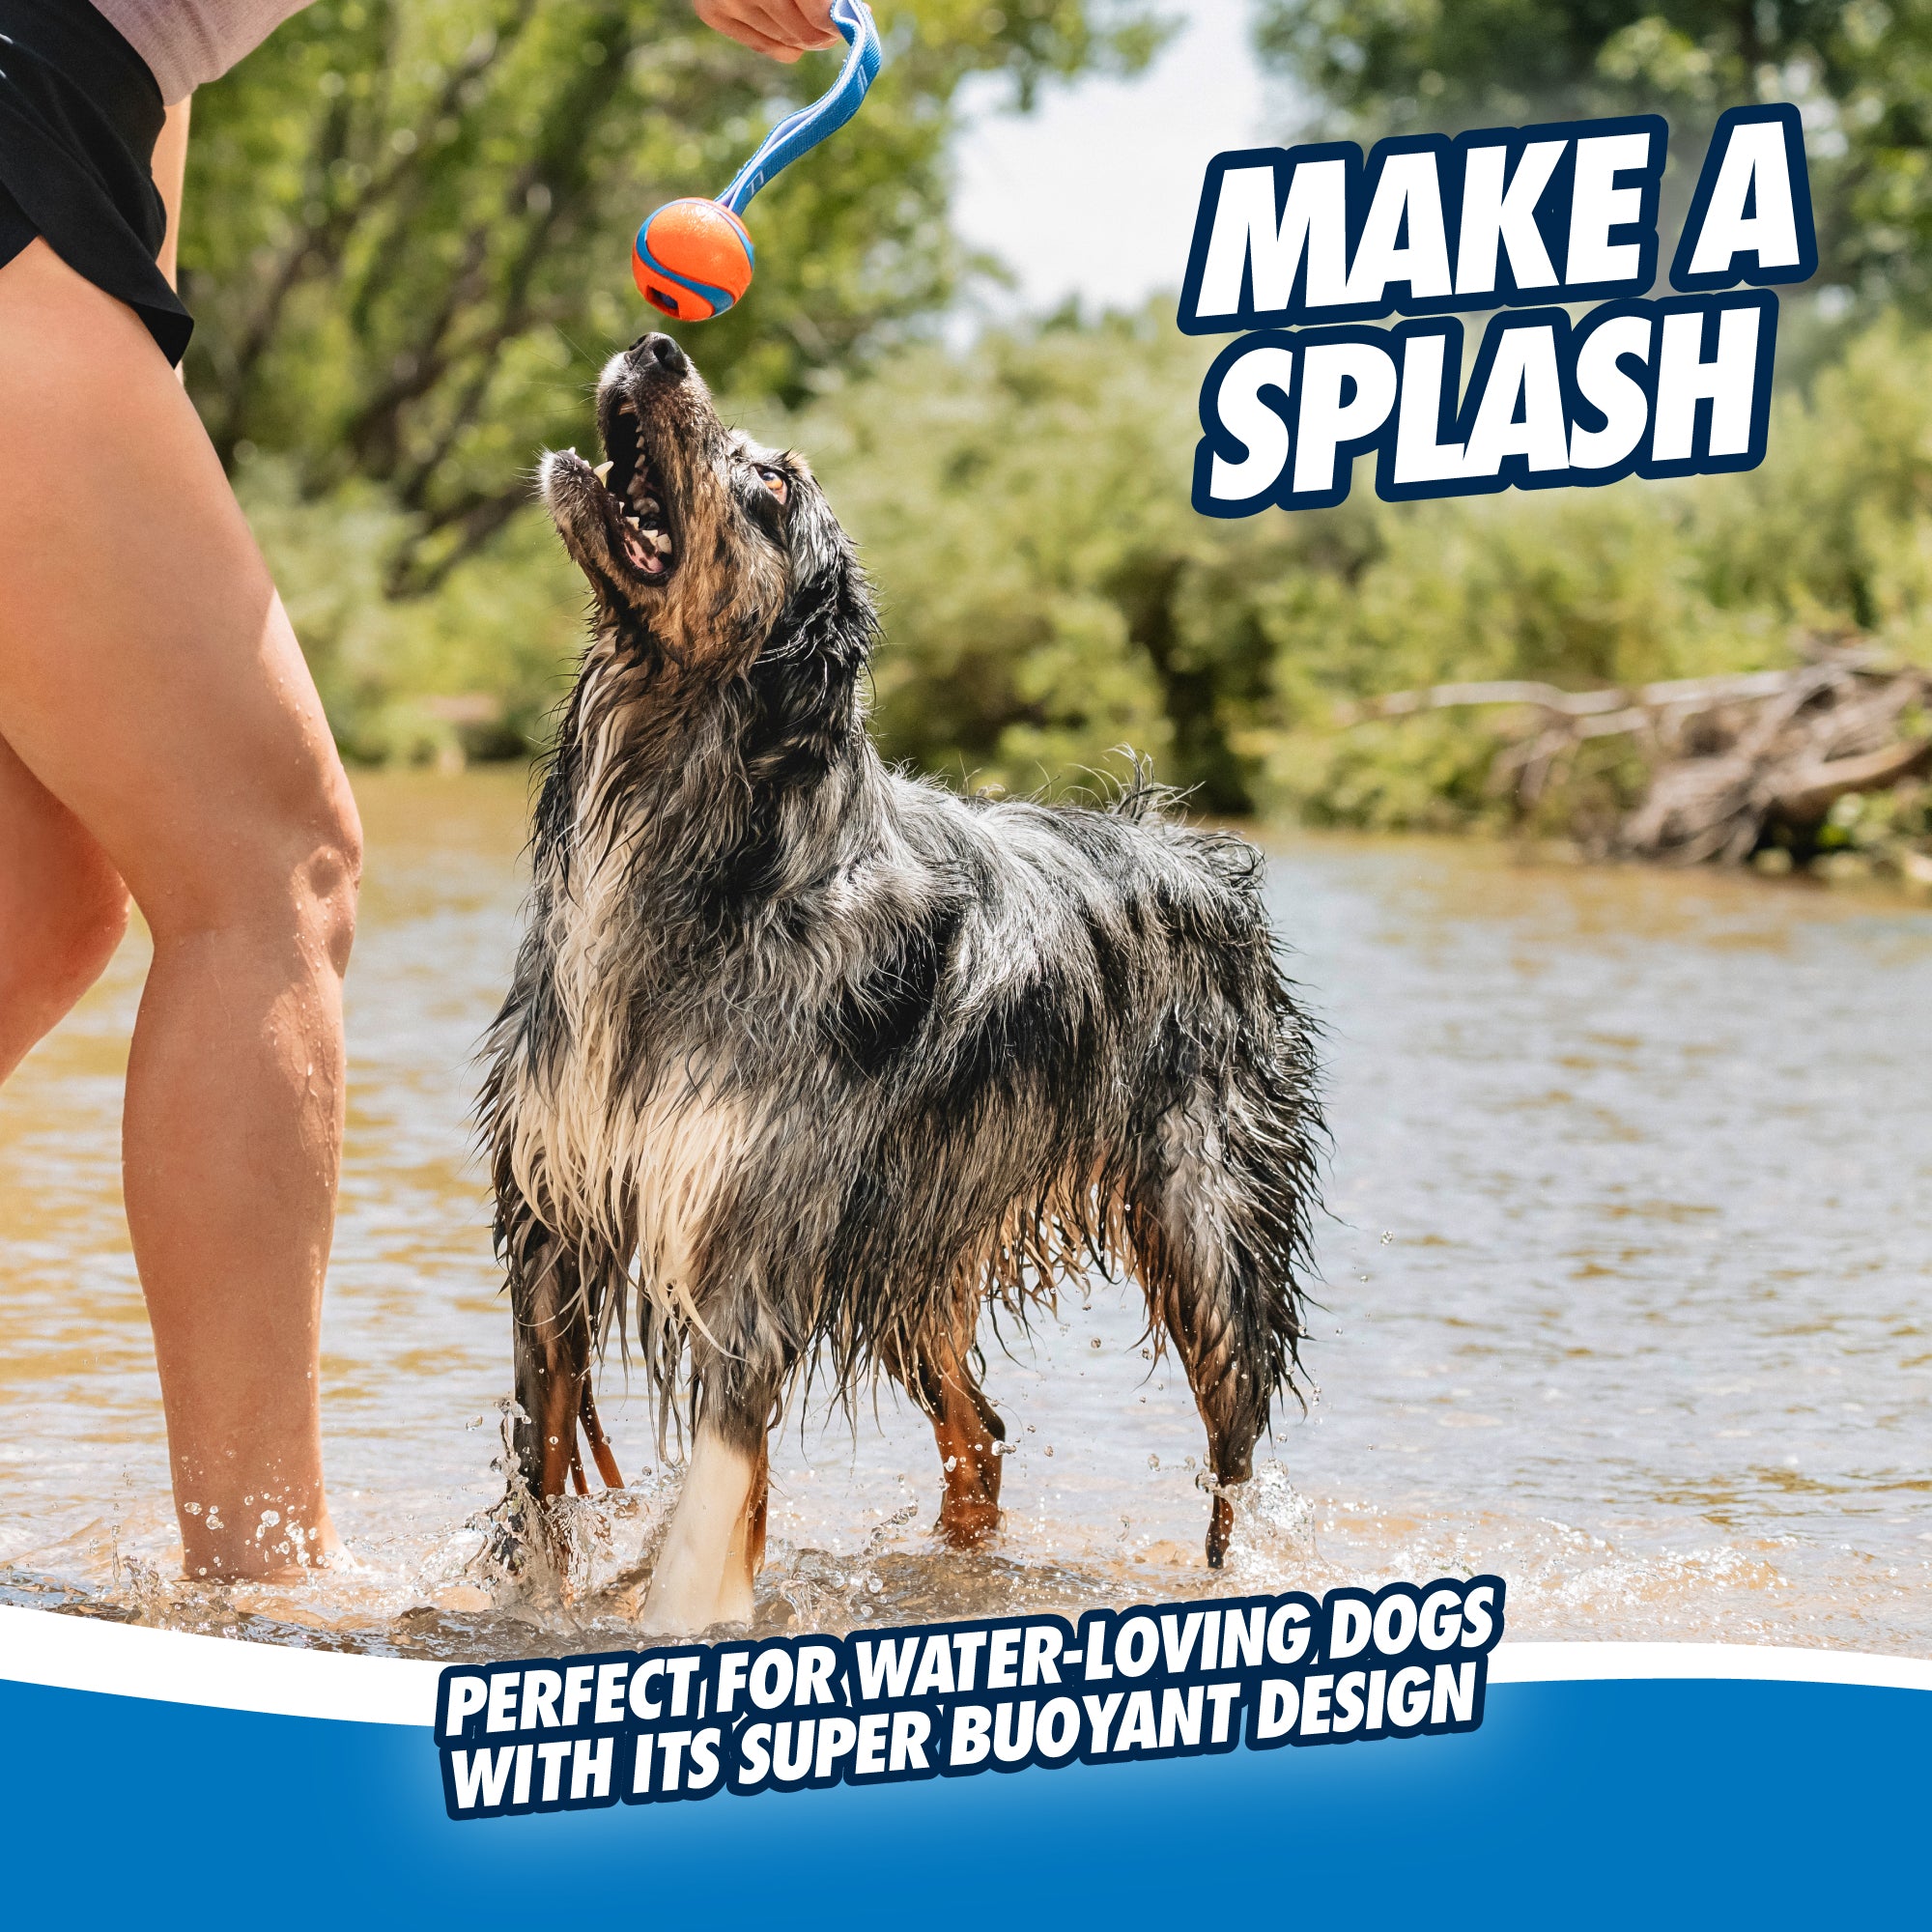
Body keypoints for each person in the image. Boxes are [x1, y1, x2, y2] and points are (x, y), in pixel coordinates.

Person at [0, 0, 838, 1581]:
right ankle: (265, 1587)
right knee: (269, 867)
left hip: (67, 148)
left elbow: (148, 74)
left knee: (43, 908)